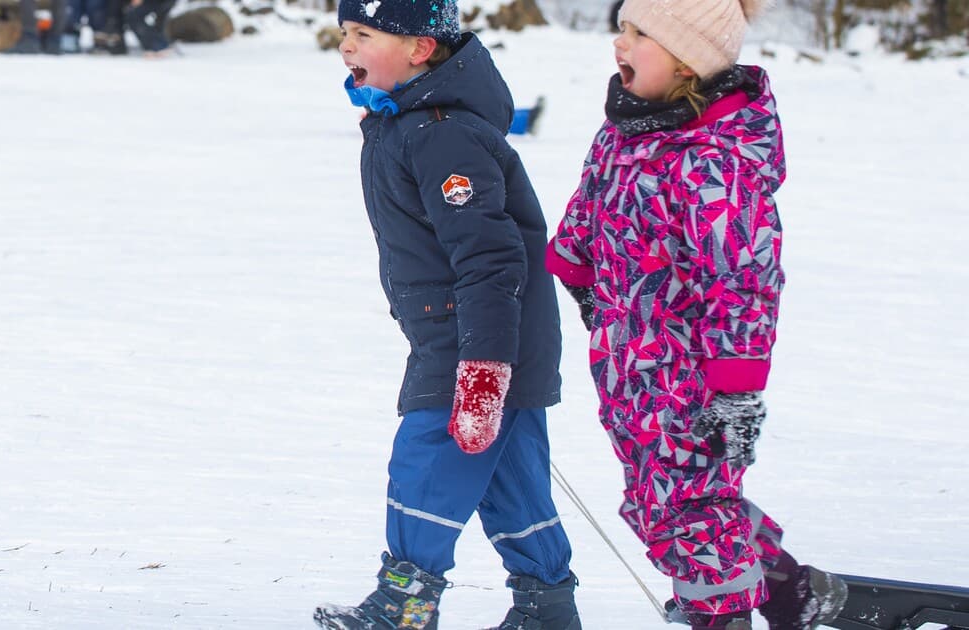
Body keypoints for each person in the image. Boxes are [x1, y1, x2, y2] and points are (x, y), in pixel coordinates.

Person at [546, 0, 848, 629]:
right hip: (628, 359)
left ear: (688, 63)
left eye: (640, 34)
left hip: (691, 375)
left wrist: (736, 390)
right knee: (676, 497)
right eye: (622, 27)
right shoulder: (624, 128)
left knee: (682, 507)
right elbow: (587, 205)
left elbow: (745, 282)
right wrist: (578, 273)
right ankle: (791, 589)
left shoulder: (716, 163)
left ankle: (721, 612)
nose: (619, 43)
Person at [312, 0, 581, 628]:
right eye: (345, 32)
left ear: (420, 49)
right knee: (510, 480)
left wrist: (484, 367)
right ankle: (547, 606)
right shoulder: (405, 123)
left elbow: (492, 257)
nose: (346, 46)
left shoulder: (443, 133)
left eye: (364, 34)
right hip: (474, 330)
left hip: (477, 338)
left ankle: (404, 602)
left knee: (428, 459)